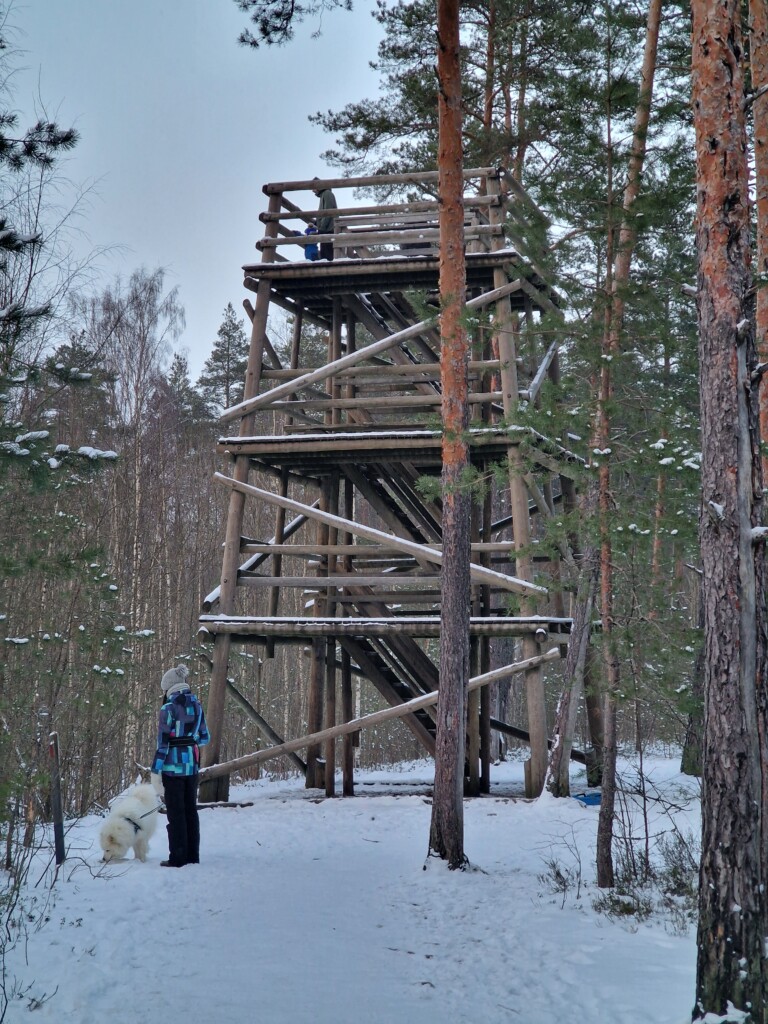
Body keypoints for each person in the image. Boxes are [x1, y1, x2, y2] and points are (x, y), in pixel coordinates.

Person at [151, 665, 210, 867]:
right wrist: (188, 741)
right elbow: (204, 737)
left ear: (169, 688)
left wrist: (155, 770)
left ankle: (177, 857)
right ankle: (193, 855)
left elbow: (163, 743)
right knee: (190, 811)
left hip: (172, 768)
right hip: (191, 766)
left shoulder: (167, 708)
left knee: (176, 813)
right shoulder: (197, 705)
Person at [312, 179, 337, 261]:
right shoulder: (324, 195)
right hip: (326, 228)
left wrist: (322, 226)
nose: (312, 190)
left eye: (313, 187)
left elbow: (328, 210)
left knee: (328, 256)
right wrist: (317, 223)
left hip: (328, 229)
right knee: (324, 254)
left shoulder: (327, 194)